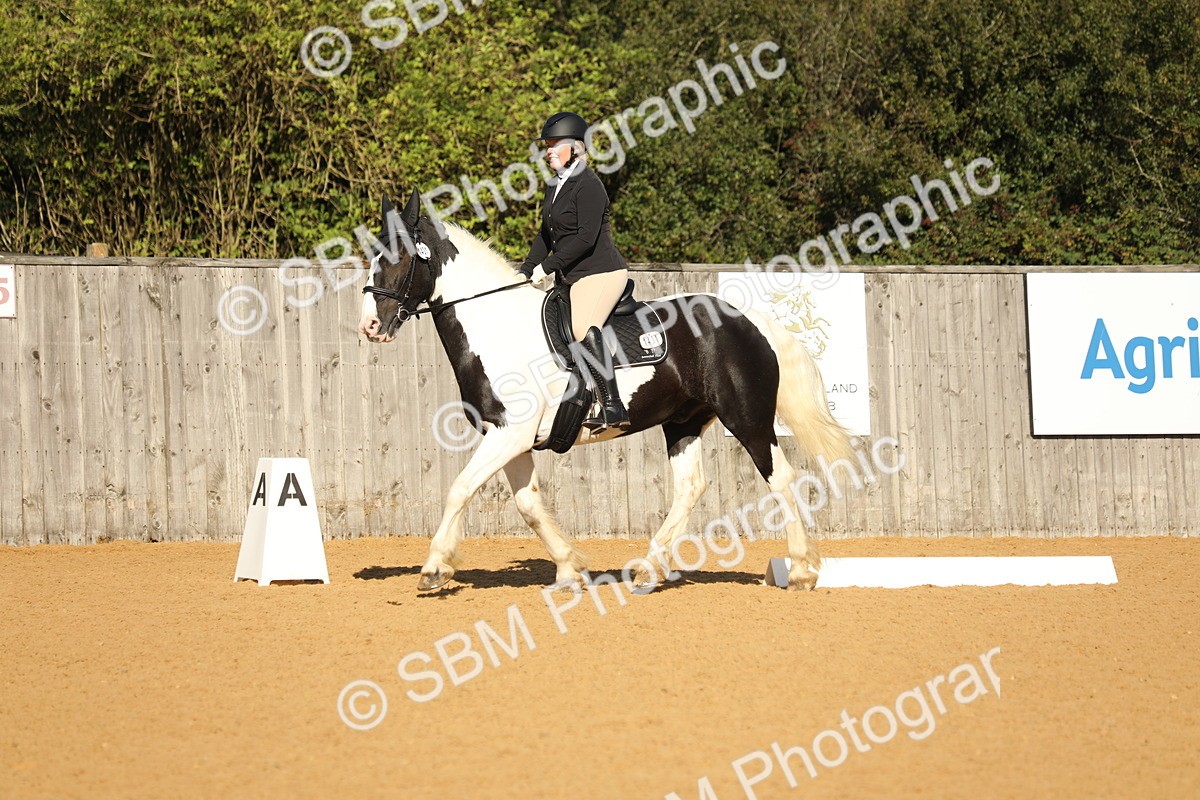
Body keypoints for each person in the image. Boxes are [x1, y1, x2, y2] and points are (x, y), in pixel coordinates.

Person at [520, 111, 631, 431]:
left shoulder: (590, 185)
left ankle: (613, 406)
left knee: (583, 327)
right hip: (570, 277)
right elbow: (546, 235)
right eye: (547, 145)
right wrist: (525, 270)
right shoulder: (554, 186)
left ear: (577, 147)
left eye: (555, 144)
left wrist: (546, 267)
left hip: (600, 273)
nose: (548, 150)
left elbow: (585, 238)